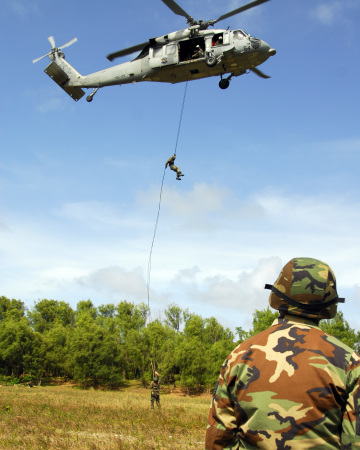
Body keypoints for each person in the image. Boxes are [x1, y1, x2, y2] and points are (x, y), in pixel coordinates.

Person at [205, 257, 360, 449]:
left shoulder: (239, 356)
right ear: (329, 303)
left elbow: (218, 439)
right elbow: (355, 441)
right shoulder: (349, 362)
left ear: (278, 294)